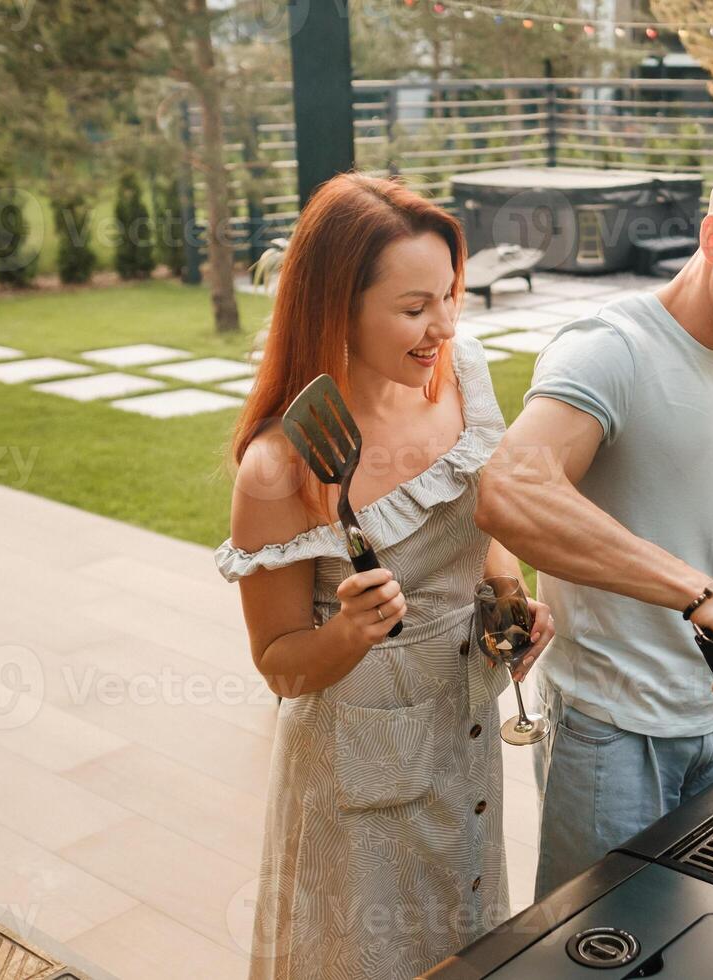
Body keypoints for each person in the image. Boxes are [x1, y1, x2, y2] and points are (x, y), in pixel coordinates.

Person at [475, 140, 713, 896]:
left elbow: (695, 502)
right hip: (610, 727)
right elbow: (511, 491)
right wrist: (704, 594)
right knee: (593, 951)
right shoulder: (609, 351)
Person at [215, 173, 554, 980]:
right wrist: (346, 632)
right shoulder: (279, 467)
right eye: (413, 308)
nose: (441, 326)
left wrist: (509, 596)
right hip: (355, 763)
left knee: (465, 939)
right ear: (337, 305)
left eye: (449, 296)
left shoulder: (462, 378)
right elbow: (281, 668)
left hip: (462, 727)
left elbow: (487, 527)